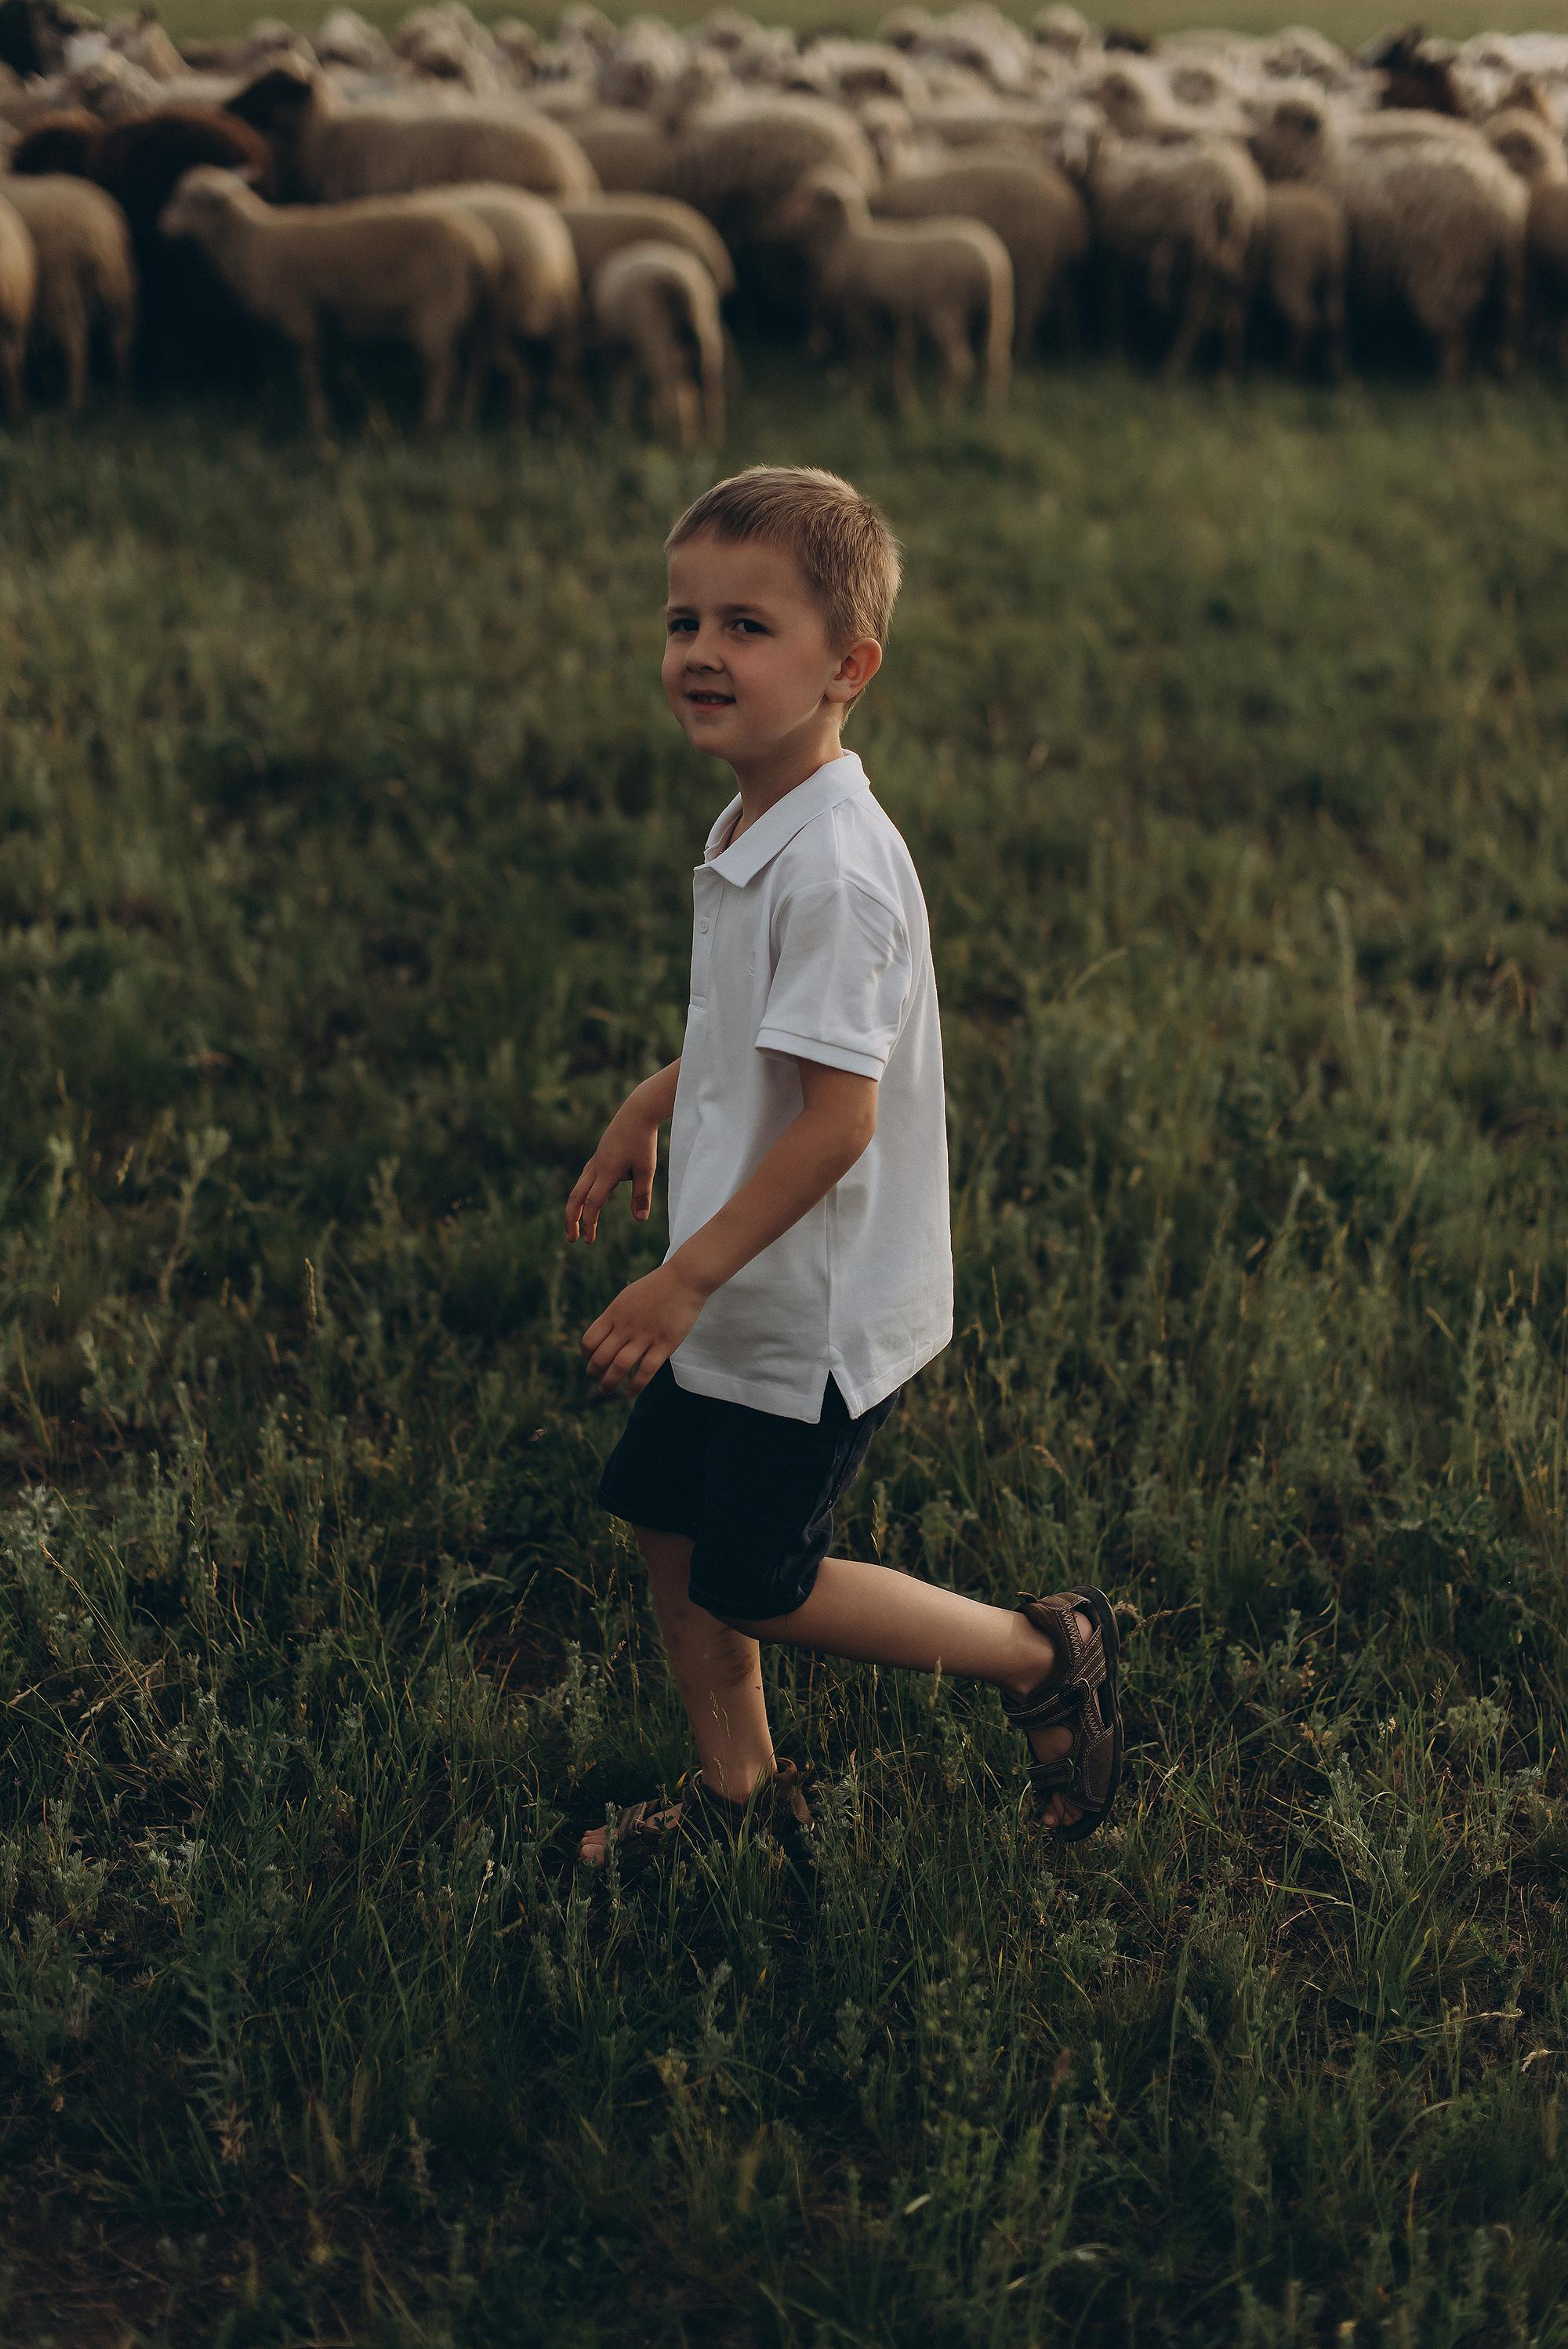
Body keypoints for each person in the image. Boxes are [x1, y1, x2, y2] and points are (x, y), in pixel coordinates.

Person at [564, 464, 1123, 1871]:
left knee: (758, 1578)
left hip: (794, 1312)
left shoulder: (837, 871)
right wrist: (658, 1097)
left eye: (748, 627)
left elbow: (835, 1120)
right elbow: (765, 1041)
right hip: (744, 1291)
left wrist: (685, 1277)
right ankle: (740, 1801)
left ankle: (1036, 1655)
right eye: (684, 619)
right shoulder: (759, 820)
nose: (700, 652)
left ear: (847, 666)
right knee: (665, 1522)